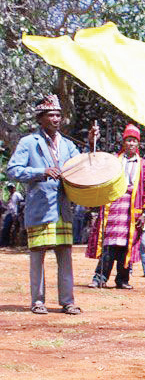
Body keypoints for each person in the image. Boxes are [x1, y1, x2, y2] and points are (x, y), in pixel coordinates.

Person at [6, 94, 97, 315]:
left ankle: (67, 301)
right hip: (40, 207)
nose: (56, 119)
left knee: (65, 254)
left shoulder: (67, 145)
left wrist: (92, 144)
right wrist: (41, 172)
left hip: (62, 209)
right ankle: (37, 301)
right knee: (38, 254)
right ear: (40, 119)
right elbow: (12, 170)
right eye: (51, 115)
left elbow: (81, 165)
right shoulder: (29, 142)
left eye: (58, 115)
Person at [86, 123, 145, 289]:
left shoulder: (143, 164)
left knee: (126, 245)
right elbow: (100, 171)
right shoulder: (114, 160)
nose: (131, 143)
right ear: (124, 143)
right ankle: (99, 278)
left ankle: (122, 280)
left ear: (138, 144)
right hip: (114, 207)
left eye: (134, 141)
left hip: (132, 209)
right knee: (109, 243)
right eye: (128, 140)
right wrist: (93, 141)